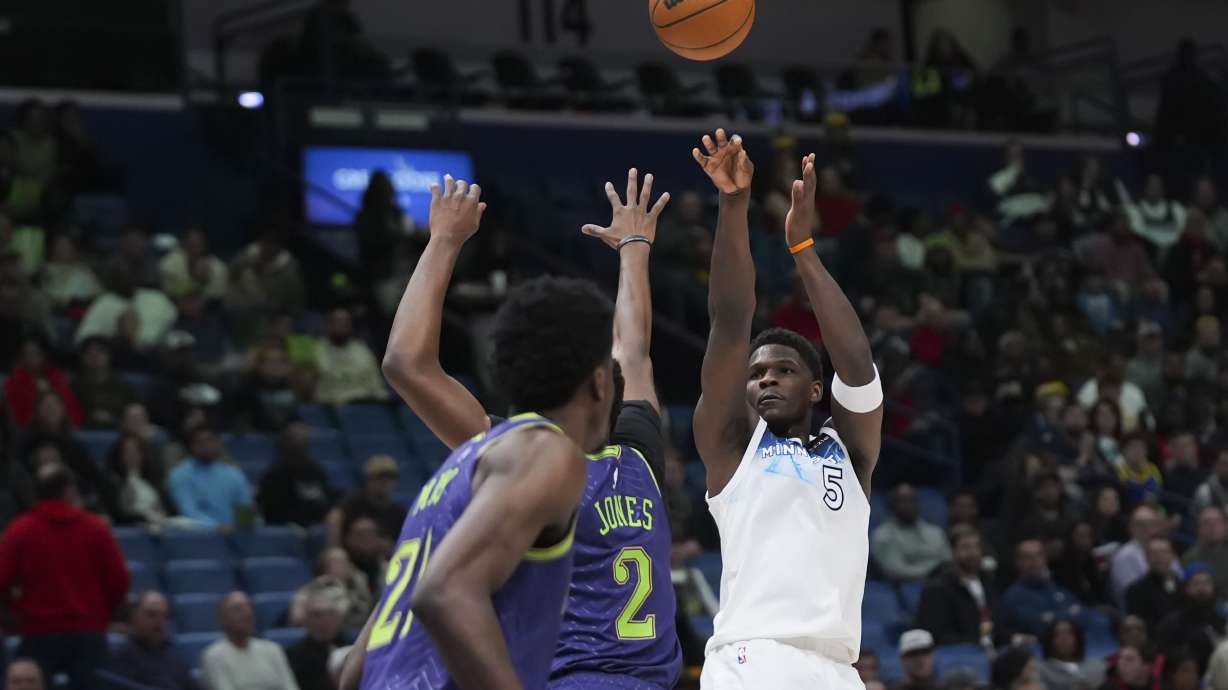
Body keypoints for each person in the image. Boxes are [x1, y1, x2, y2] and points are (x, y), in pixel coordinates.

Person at [378, 169, 682, 689]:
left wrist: (444, 242)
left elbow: (407, 363)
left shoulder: (518, 451)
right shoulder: (622, 455)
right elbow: (631, 350)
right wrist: (634, 249)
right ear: (598, 385)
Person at [341, 207, 618, 689]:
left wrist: (444, 241)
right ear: (598, 382)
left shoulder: (457, 472)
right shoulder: (545, 453)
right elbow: (445, 591)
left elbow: (353, 673)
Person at [687, 132, 882, 688]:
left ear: (817, 390)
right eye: (756, 373)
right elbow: (729, 318)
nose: (765, 376)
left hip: (838, 670)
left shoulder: (852, 454)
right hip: (754, 660)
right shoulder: (731, 450)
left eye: (783, 370)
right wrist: (733, 204)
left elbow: (859, 366)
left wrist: (803, 249)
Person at [0, 464, 130, 689]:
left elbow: (1, 580)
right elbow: (119, 580)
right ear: (69, 490)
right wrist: (101, 614)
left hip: (38, 631)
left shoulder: (20, 530)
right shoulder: (96, 528)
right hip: (88, 631)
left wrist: (16, 613)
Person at [915, 525, 998, 647]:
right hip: (959, 653)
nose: (972, 553)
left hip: (989, 646)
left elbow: (995, 623)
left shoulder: (987, 583)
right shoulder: (936, 589)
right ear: (952, 551)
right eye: (965, 547)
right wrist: (975, 644)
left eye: (976, 546)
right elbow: (937, 635)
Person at [202, 591, 301, 690]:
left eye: (249, 607)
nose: (246, 613)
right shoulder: (214, 656)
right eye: (237, 609)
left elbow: (290, 686)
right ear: (222, 618)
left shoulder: (273, 649)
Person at [103, 591, 200, 690]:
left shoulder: (174, 658)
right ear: (134, 617)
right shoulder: (121, 656)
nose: (159, 622)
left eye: (165, 616)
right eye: (151, 615)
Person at [167, 425, 253, 528]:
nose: (206, 445)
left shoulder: (234, 474)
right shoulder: (180, 475)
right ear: (192, 446)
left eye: (210, 440)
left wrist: (240, 527)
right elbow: (188, 512)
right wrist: (216, 527)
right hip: (195, 537)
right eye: (201, 442)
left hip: (235, 536)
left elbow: (245, 509)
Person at [999, 539, 1083, 641]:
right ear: (1018, 562)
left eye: (1039, 555)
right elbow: (1037, 626)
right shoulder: (1012, 596)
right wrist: (1068, 614)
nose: (1035, 560)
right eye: (1028, 557)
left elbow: (1083, 615)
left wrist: (1050, 617)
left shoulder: (1056, 588)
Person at [257, 421, 336, 526]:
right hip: (288, 531)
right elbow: (270, 510)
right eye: (296, 444)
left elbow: (326, 498)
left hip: (317, 527)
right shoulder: (275, 475)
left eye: (304, 443)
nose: (301, 449)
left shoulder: (315, 470)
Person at [872, 484, 952, 582]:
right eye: (902, 501)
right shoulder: (882, 536)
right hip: (903, 587)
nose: (908, 505)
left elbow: (947, 564)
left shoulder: (936, 532)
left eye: (912, 500)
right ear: (892, 506)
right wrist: (933, 570)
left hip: (941, 585)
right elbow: (895, 571)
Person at [325, 455, 406, 548]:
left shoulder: (398, 511)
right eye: (380, 477)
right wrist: (335, 548)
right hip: (354, 556)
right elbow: (334, 518)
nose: (385, 482)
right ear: (368, 480)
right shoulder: (355, 503)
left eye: (391, 477)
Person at [314, 307, 389, 406]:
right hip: (332, 408)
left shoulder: (363, 350)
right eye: (338, 321)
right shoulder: (315, 350)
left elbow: (377, 385)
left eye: (346, 322)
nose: (342, 325)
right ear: (328, 325)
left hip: (367, 403)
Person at [4, 335, 82, 428]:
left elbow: (72, 410)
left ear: (44, 355)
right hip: (31, 433)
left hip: (64, 431)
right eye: (27, 354)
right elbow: (19, 418)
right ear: (20, 358)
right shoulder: (13, 384)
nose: (32, 357)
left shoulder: (58, 378)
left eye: (36, 352)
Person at [1154, 568, 1222, 669]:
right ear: (1186, 588)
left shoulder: (1222, 619)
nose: (1202, 588)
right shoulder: (1172, 624)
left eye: (1206, 583)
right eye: (1196, 583)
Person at [291, 547, 372, 631]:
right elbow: (297, 618)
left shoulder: (357, 588)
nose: (340, 566)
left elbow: (366, 614)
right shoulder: (311, 588)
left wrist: (356, 582)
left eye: (343, 562)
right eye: (335, 562)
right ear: (324, 566)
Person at [1111, 506, 1181, 602]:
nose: (1147, 528)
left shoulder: (1164, 548)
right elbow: (1132, 593)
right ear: (1131, 527)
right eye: (1140, 524)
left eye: (1151, 523)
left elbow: (1177, 578)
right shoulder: (1125, 555)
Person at [287, 588, 347, 690]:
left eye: (331, 613)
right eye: (317, 615)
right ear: (305, 620)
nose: (325, 620)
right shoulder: (294, 656)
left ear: (339, 618)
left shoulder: (353, 648)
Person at [105, 433, 170, 525]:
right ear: (119, 454)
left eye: (136, 451)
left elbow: (166, 508)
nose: (132, 455)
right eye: (128, 451)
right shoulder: (112, 482)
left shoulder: (154, 479)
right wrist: (144, 517)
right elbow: (118, 514)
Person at [73, 337, 137, 429]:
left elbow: (134, 410)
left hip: (120, 432)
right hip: (82, 431)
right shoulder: (75, 386)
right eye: (89, 352)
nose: (94, 356)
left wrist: (114, 420)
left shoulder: (121, 385)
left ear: (109, 355)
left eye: (100, 351)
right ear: (82, 357)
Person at [158, 226, 229, 302]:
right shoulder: (169, 263)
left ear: (206, 244)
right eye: (191, 244)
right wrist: (196, 283)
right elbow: (169, 292)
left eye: (198, 244)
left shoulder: (219, 269)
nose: (194, 248)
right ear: (183, 244)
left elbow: (216, 297)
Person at [1124, 537, 1183, 629]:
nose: (1160, 558)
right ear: (1146, 557)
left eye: (1164, 552)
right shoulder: (1136, 591)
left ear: (1173, 556)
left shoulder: (1183, 585)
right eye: (1154, 554)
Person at [1038, 619, 1106, 690]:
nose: (1064, 638)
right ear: (1049, 640)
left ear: (1078, 638)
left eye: (1069, 633)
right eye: (1057, 634)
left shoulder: (1097, 665)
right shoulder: (1041, 670)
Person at [1184, 506, 1228, 597]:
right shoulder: (1190, 557)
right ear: (1199, 528)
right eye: (1207, 523)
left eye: (1217, 522)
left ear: (1225, 526)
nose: (1213, 527)